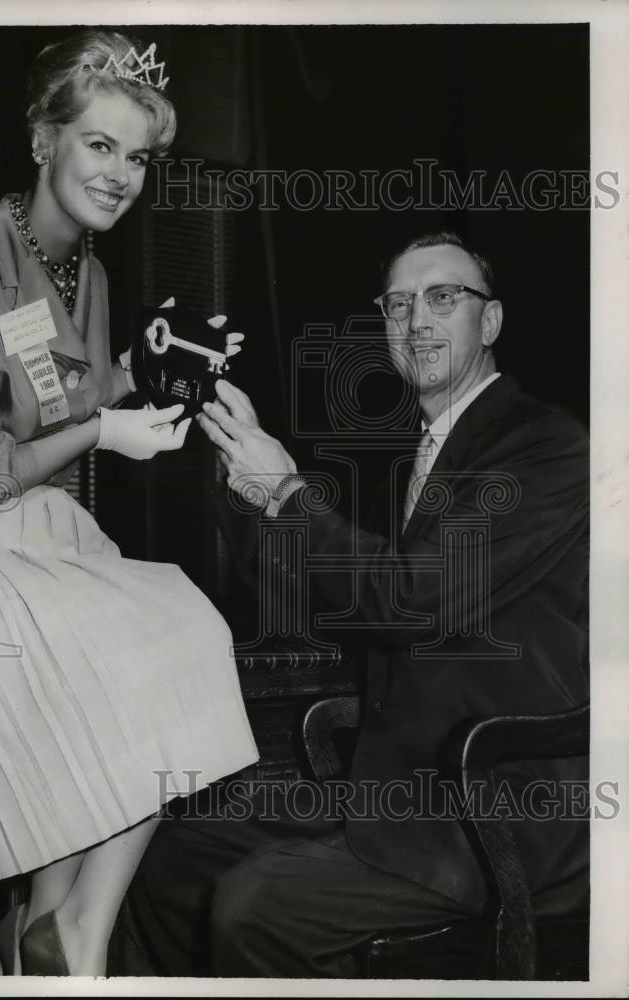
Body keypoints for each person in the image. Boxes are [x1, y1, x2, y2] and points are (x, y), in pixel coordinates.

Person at [126, 232, 589, 977]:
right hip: (390, 791)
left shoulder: (545, 447)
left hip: (494, 815)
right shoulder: (412, 457)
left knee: (253, 907)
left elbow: (410, 600)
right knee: (173, 859)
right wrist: (240, 474)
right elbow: (312, 603)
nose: (416, 320)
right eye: (398, 305)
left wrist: (286, 490)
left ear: (491, 321)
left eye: (443, 298)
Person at [0, 29, 258, 977]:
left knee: (159, 660)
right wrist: (104, 432)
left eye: (136, 157)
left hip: (43, 532)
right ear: (42, 140)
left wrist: (147, 364)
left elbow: (70, 395)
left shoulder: (86, 271)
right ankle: (65, 930)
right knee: (171, 637)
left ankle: (53, 926)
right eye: (99, 145)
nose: (120, 175)